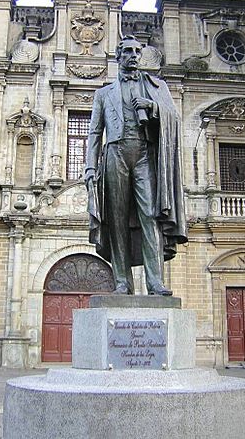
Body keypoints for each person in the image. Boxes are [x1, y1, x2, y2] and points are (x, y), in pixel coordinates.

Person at [85, 35, 187, 296]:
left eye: (136, 51)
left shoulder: (156, 86)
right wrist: (89, 167)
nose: (132, 55)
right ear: (118, 56)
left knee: (150, 216)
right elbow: (95, 133)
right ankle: (122, 282)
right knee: (117, 220)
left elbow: (174, 118)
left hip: (144, 154)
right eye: (127, 51)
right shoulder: (103, 94)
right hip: (115, 154)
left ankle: (155, 283)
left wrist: (152, 107)